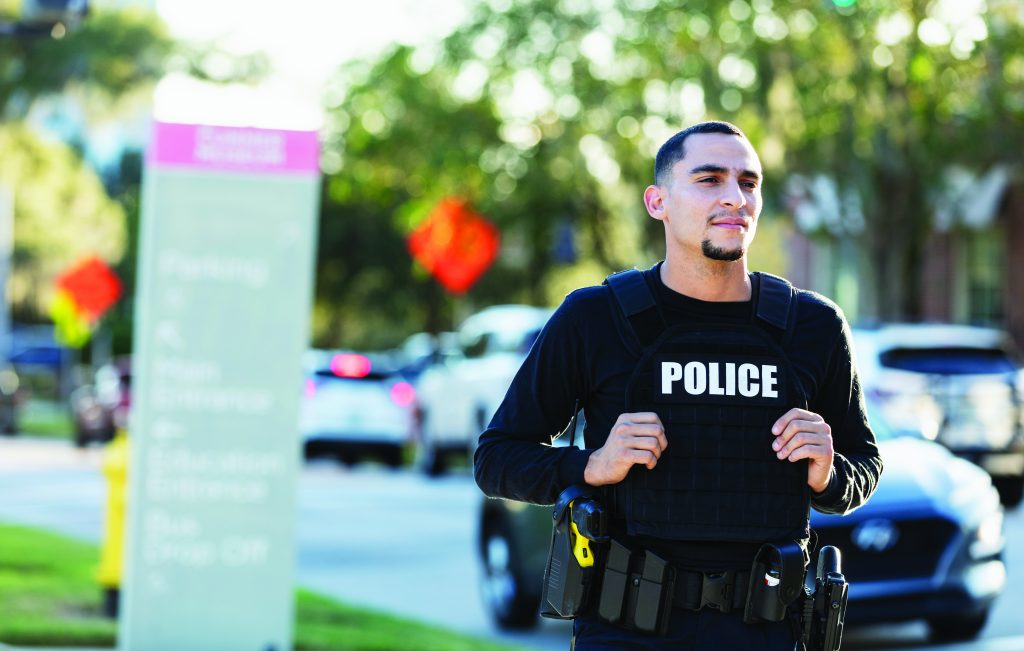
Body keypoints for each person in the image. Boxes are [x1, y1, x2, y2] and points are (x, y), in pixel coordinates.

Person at [474, 121, 883, 650]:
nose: (735, 197)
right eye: (709, 179)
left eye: (748, 182)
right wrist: (590, 465)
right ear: (657, 201)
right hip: (628, 629)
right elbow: (496, 459)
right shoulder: (596, 318)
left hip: (766, 629)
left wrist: (828, 472)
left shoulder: (813, 326)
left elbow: (864, 464)